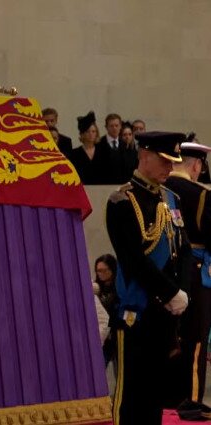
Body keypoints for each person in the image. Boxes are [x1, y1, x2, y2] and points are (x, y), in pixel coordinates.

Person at [106, 131, 190, 424]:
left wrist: (182, 295)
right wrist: (170, 293)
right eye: (165, 161)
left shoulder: (171, 199)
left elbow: (183, 253)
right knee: (132, 398)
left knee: (156, 397)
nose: (170, 168)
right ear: (144, 156)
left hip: (164, 316)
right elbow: (133, 262)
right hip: (136, 314)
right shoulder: (121, 202)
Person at [163, 141, 211, 414]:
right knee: (195, 339)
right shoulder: (200, 194)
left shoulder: (157, 190)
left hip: (162, 274)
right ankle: (190, 399)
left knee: (169, 336)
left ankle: (166, 397)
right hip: (195, 274)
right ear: (197, 165)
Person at [67, 111, 112, 184]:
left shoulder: (104, 152)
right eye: (88, 131)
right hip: (82, 189)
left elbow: (108, 173)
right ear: (82, 134)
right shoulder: (74, 154)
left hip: (101, 189)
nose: (91, 134)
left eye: (93, 131)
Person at [93, 254, 118, 366]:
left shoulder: (119, 288)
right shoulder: (95, 288)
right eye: (98, 271)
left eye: (104, 270)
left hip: (117, 333)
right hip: (103, 336)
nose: (101, 274)